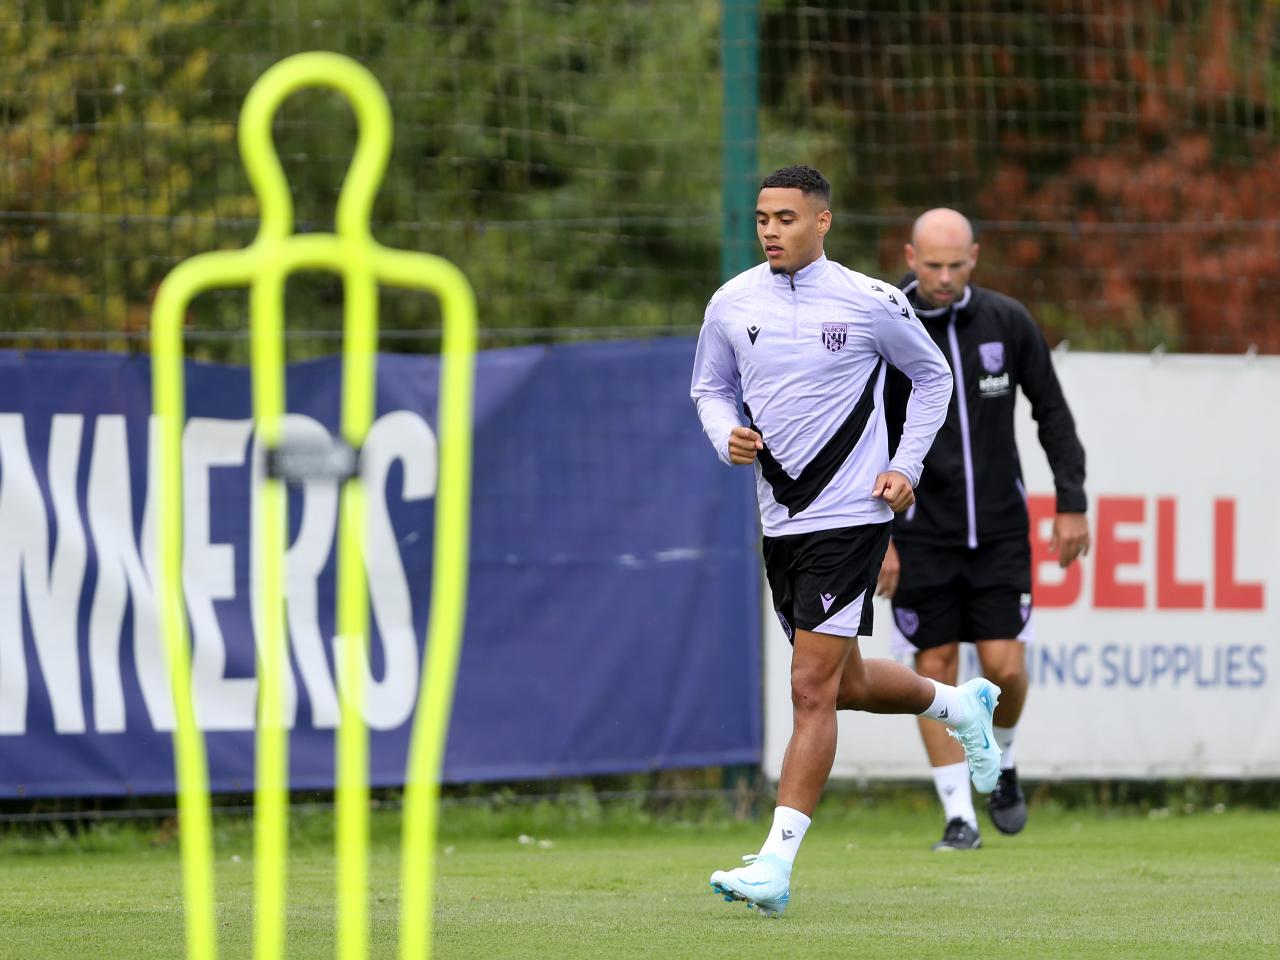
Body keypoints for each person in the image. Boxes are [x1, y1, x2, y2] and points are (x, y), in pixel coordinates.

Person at [691, 166, 1002, 918]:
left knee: (809, 688)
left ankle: (775, 864)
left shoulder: (870, 301)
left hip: (852, 516)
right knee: (846, 686)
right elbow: (710, 388)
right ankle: (959, 706)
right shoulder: (732, 302)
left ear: (822, 222)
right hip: (781, 521)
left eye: (787, 218)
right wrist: (723, 434)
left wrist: (904, 466)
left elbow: (932, 378)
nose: (771, 230)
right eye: (763, 218)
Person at [880, 208, 1089, 851]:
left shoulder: (1007, 321)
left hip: (998, 529)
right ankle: (959, 817)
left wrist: (1072, 501)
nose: (945, 278)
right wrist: (880, 537)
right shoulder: (883, 323)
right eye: (932, 266)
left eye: (956, 264)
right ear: (910, 258)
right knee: (933, 669)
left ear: (974, 256)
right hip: (918, 531)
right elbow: (863, 437)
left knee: (1005, 669)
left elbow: (1052, 413)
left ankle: (1003, 758)